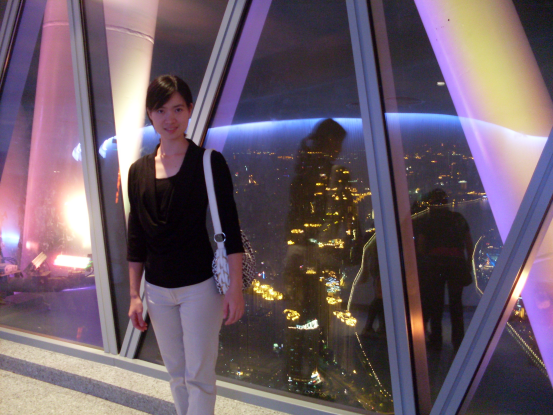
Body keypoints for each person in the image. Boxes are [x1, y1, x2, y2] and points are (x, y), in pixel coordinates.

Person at [126, 75, 244, 415]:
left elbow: (230, 230)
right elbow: (136, 237)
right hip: (157, 291)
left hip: (199, 287)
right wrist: (134, 294)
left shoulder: (208, 162)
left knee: (199, 376)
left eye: (178, 109)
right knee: (176, 374)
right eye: (161, 110)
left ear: (190, 110)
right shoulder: (138, 171)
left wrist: (235, 288)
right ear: (150, 114)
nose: (170, 118)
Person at [414, 188, 473, 351]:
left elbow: (421, 245)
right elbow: (468, 242)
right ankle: (458, 341)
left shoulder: (428, 221)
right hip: (457, 263)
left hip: (435, 264)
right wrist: (468, 262)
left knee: (436, 303)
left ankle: (436, 339)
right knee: (456, 303)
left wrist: (426, 261)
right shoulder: (458, 218)